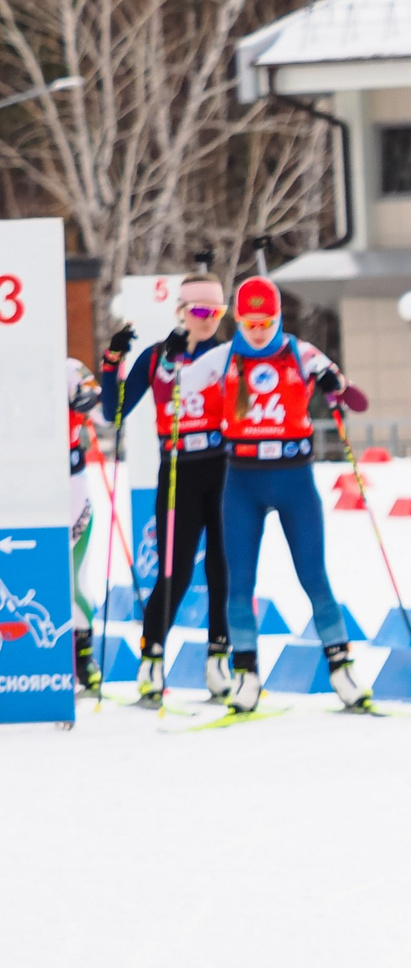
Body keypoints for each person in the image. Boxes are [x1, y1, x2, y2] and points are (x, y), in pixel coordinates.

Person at [214, 276, 369, 712]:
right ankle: (245, 675)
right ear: (238, 320)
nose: (257, 331)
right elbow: (177, 381)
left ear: (278, 318)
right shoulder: (223, 358)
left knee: (314, 577)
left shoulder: (301, 353)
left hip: (294, 480)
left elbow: (351, 395)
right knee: (239, 583)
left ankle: (341, 670)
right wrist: (170, 361)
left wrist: (336, 385)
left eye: (265, 322)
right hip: (242, 482)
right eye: (249, 323)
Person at [102, 275, 239, 704]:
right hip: (179, 470)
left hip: (223, 469)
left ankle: (219, 660)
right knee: (173, 570)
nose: (208, 320)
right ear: (181, 310)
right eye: (199, 311)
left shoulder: (227, 354)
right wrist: (112, 361)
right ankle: (152, 659)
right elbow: (114, 412)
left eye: (215, 312)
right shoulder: (158, 356)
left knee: (222, 566)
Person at [65, 356, 103, 692]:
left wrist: (90, 397)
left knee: (73, 575)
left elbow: (105, 413)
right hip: (16, 486)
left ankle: (83, 655)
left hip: (69, 484)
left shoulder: (68, 368)